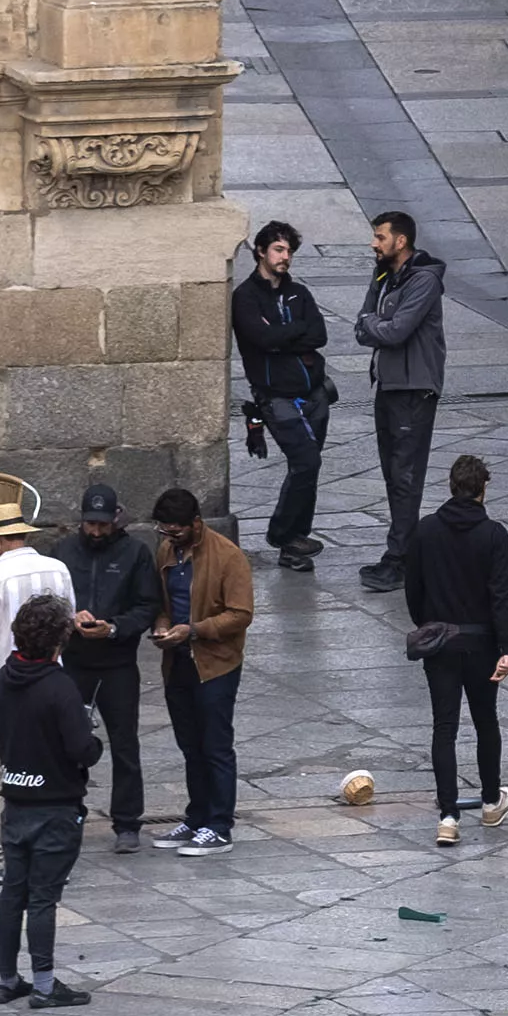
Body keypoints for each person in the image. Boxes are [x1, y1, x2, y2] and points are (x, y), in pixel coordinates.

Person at [0, 592, 100, 1006]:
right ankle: (46, 986)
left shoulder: (2, 678)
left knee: (12, 892)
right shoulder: (60, 687)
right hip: (55, 805)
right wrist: (94, 741)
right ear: (59, 641)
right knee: (43, 897)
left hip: (15, 801)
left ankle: (7, 978)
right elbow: (80, 750)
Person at [405, 449, 508, 846]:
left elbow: (413, 589)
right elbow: (503, 596)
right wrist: (507, 647)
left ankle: (449, 816)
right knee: (486, 721)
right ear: (482, 488)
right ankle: (490, 803)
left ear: (452, 487)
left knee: (444, 727)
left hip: (440, 641)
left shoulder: (426, 530)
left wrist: (427, 624)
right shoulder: (494, 535)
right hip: (483, 641)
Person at [0, 511, 76, 879]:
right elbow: (68, 624)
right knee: (49, 771)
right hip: (51, 689)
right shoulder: (59, 570)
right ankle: (50, 853)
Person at [52, 481, 161, 844]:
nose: (96, 531)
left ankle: (127, 823)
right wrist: (70, 619)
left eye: (102, 524)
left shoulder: (136, 553)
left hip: (117, 664)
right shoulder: (63, 552)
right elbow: (50, 600)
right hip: (74, 660)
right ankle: (69, 813)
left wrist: (114, 628)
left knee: (125, 744)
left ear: (115, 519)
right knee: (68, 743)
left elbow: (147, 606)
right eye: (90, 524)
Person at [151, 486, 252, 848]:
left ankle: (220, 823)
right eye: (164, 531)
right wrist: (163, 626)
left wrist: (194, 630)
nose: (169, 537)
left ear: (196, 524)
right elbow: (162, 602)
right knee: (190, 745)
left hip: (216, 665)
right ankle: (196, 817)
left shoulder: (228, 557)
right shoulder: (166, 551)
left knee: (216, 745)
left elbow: (241, 614)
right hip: (177, 660)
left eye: (176, 531)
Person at [231, 220, 334, 572]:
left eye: (289, 250)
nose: (285, 256)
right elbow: (261, 339)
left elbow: (318, 334)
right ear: (261, 251)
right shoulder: (246, 297)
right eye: (278, 249)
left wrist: (282, 336)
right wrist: (290, 335)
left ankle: (295, 540)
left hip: (314, 393)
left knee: (306, 467)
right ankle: (283, 535)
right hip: (275, 396)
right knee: (307, 462)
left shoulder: (299, 293)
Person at [354, 207, 448, 591]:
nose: (374, 243)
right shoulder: (385, 277)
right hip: (389, 385)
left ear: (401, 240)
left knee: (406, 476)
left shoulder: (423, 281)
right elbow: (362, 324)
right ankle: (404, 553)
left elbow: (395, 331)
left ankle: (400, 559)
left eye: (380, 237)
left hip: (413, 388)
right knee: (393, 475)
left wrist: (374, 326)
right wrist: (375, 326)